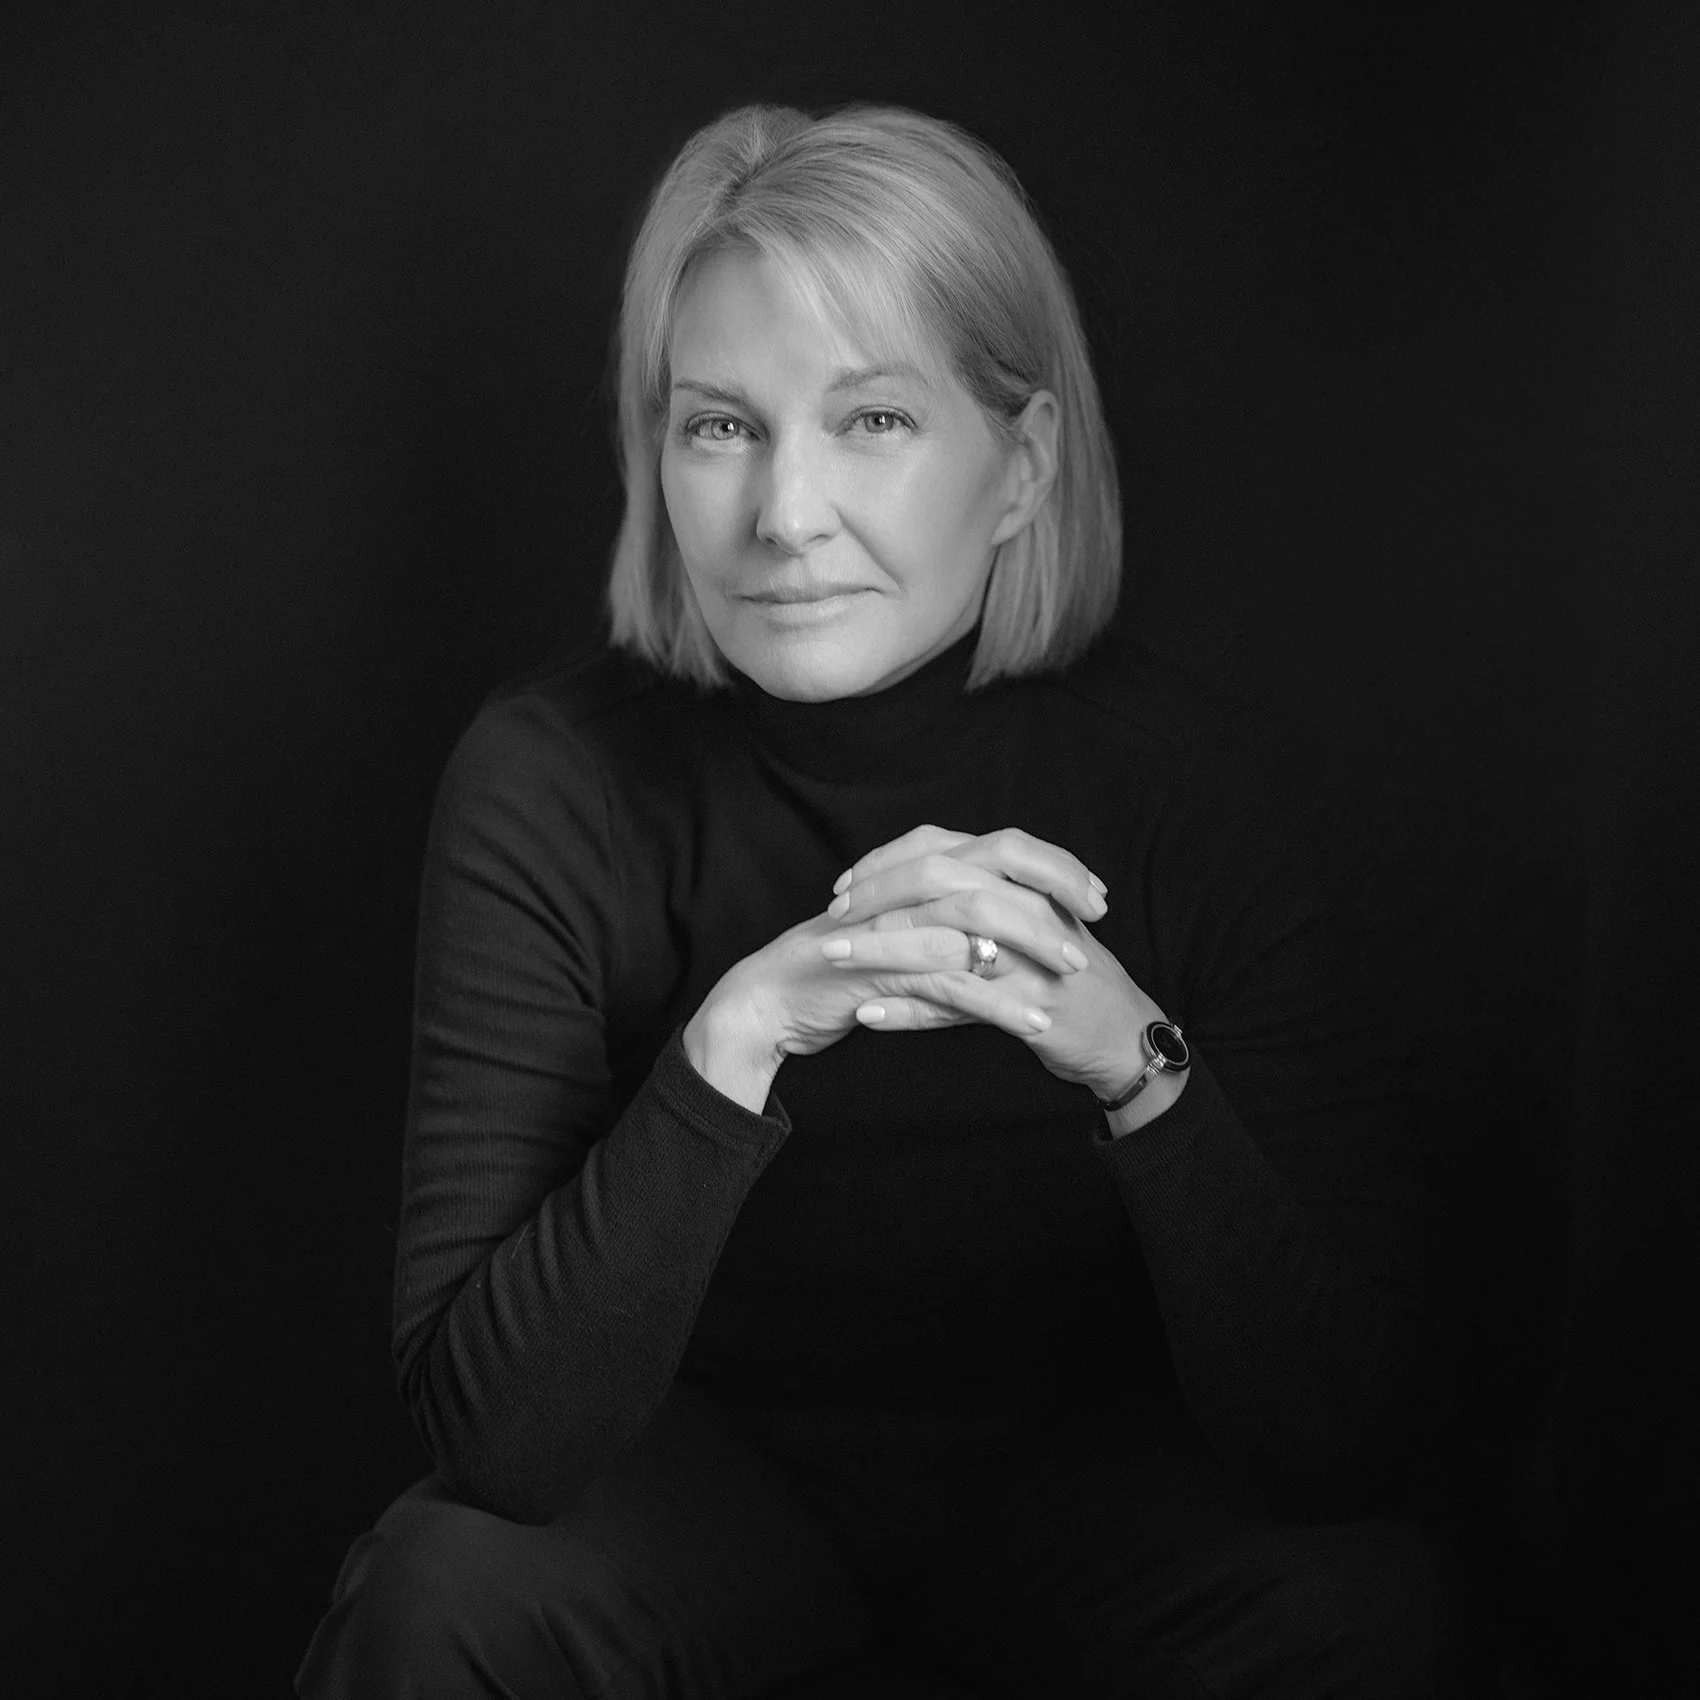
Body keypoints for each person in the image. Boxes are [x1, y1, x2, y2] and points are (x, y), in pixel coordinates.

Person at [297, 102, 1494, 1698]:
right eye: (720, 425)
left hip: (1080, 1499)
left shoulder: (1189, 783)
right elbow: (501, 1444)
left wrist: (1133, 1061)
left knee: (1367, 1601)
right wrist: (742, 1032)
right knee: (440, 1590)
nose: (784, 516)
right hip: (700, 1497)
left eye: (871, 421)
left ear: (1022, 466)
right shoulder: (553, 777)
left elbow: (1343, 1437)